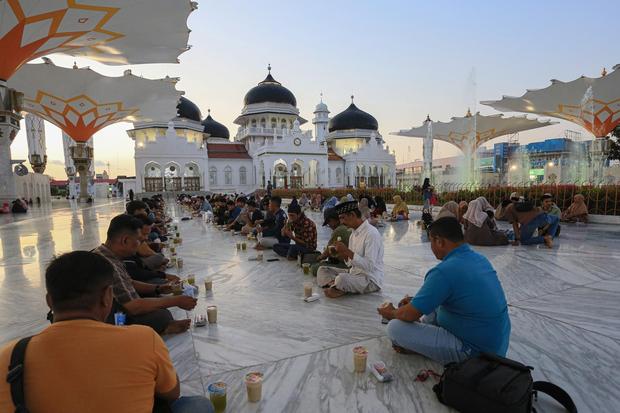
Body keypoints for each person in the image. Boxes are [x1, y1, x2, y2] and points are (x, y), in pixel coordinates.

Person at [0, 251, 214, 413]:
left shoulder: (11, 357)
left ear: (49, 301)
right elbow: (171, 393)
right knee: (198, 404)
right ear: (107, 297)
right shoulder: (142, 338)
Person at [378, 217, 511, 364]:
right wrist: (417, 302)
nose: (431, 247)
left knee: (395, 328)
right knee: (431, 305)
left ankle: (420, 346)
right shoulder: (480, 259)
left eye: (431, 242)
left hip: (475, 353)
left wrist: (390, 313)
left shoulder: (443, 272)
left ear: (439, 241)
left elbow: (408, 315)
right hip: (496, 347)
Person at [94, 214, 196, 334]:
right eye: (139, 241)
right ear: (125, 240)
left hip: (122, 307)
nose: (141, 244)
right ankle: (159, 329)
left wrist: (158, 289)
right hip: (113, 318)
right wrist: (176, 301)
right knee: (161, 315)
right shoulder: (107, 264)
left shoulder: (108, 255)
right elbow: (131, 307)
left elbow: (129, 282)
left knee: (158, 303)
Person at [317, 201, 384, 298]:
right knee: (322, 269)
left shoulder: (371, 234)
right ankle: (336, 286)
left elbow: (369, 266)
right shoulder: (353, 234)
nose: (341, 222)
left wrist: (347, 251)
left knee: (341, 279)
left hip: (369, 279)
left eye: (342, 218)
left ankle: (338, 285)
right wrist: (342, 253)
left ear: (352, 215)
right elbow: (349, 264)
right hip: (353, 273)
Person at [310, 207, 352, 277]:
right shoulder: (346, 226)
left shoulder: (338, 230)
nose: (329, 226)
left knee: (314, 268)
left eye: (328, 223)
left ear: (332, 219)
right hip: (350, 263)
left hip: (346, 265)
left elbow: (327, 252)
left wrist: (318, 258)